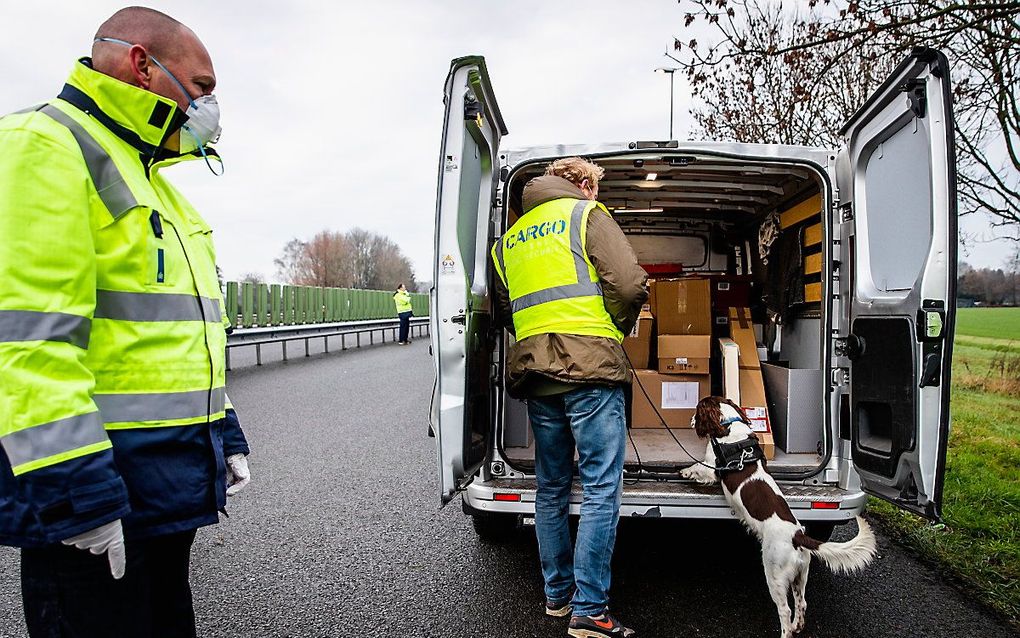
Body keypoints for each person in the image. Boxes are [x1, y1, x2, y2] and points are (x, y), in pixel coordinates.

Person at [0, 7, 251, 637]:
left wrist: (224, 430)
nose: (208, 108)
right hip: (100, 490)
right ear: (143, 65)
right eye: (201, 88)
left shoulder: (152, 177)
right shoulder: (46, 146)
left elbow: (172, 335)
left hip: (161, 490)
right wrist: (76, 495)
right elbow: (26, 341)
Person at [491, 157, 648, 637]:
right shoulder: (586, 216)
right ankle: (590, 609)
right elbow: (628, 284)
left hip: (538, 377)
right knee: (601, 487)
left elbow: (506, 309)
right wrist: (612, 330)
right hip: (592, 374)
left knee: (552, 488)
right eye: (594, 187)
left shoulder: (508, 242)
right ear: (581, 184)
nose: (595, 195)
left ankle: (557, 598)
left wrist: (542, 341)